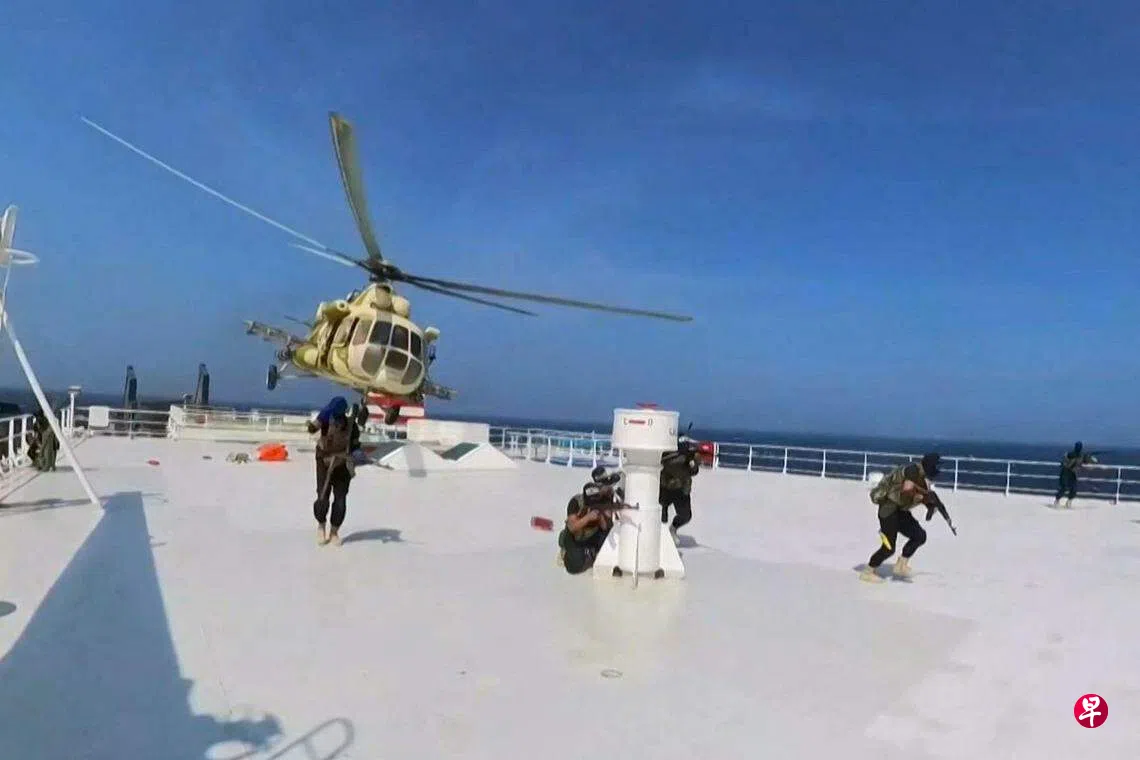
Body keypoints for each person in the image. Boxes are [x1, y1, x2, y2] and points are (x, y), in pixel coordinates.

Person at [861, 453, 949, 583]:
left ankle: (901, 565)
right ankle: (868, 571)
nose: (936, 469)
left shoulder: (922, 478)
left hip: (901, 511)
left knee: (919, 536)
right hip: (888, 511)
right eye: (935, 466)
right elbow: (907, 489)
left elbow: (921, 495)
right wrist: (920, 496)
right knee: (889, 548)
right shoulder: (913, 470)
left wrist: (930, 505)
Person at [306, 396, 362, 546]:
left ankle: (334, 532)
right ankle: (321, 525)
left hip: (342, 464)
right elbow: (312, 429)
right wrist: (316, 421)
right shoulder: (325, 419)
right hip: (324, 462)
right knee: (322, 496)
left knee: (340, 500)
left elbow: (356, 445)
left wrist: (357, 453)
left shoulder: (351, 426)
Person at [557, 465, 622, 575]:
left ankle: (594, 554)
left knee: (609, 541)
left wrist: (603, 516)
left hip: (592, 534)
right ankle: (567, 553)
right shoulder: (576, 502)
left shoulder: (604, 500)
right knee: (574, 566)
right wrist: (588, 518)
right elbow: (572, 527)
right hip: (575, 537)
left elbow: (605, 528)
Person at [660, 437, 701, 542]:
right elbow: (671, 465)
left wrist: (694, 462)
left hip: (681, 490)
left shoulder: (689, 458)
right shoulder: (668, 455)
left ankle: (673, 529)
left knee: (685, 515)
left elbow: (694, 471)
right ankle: (662, 535)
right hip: (665, 488)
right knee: (662, 515)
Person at [1054, 441, 1097, 509]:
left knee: (1074, 489)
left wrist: (1092, 458)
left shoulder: (1081, 455)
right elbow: (1064, 462)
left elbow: (1087, 461)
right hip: (1065, 472)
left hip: (1073, 473)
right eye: (1077, 447)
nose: (1078, 448)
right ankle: (1057, 501)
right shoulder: (1069, 454)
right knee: (1064, 488)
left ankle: (1069, 502)